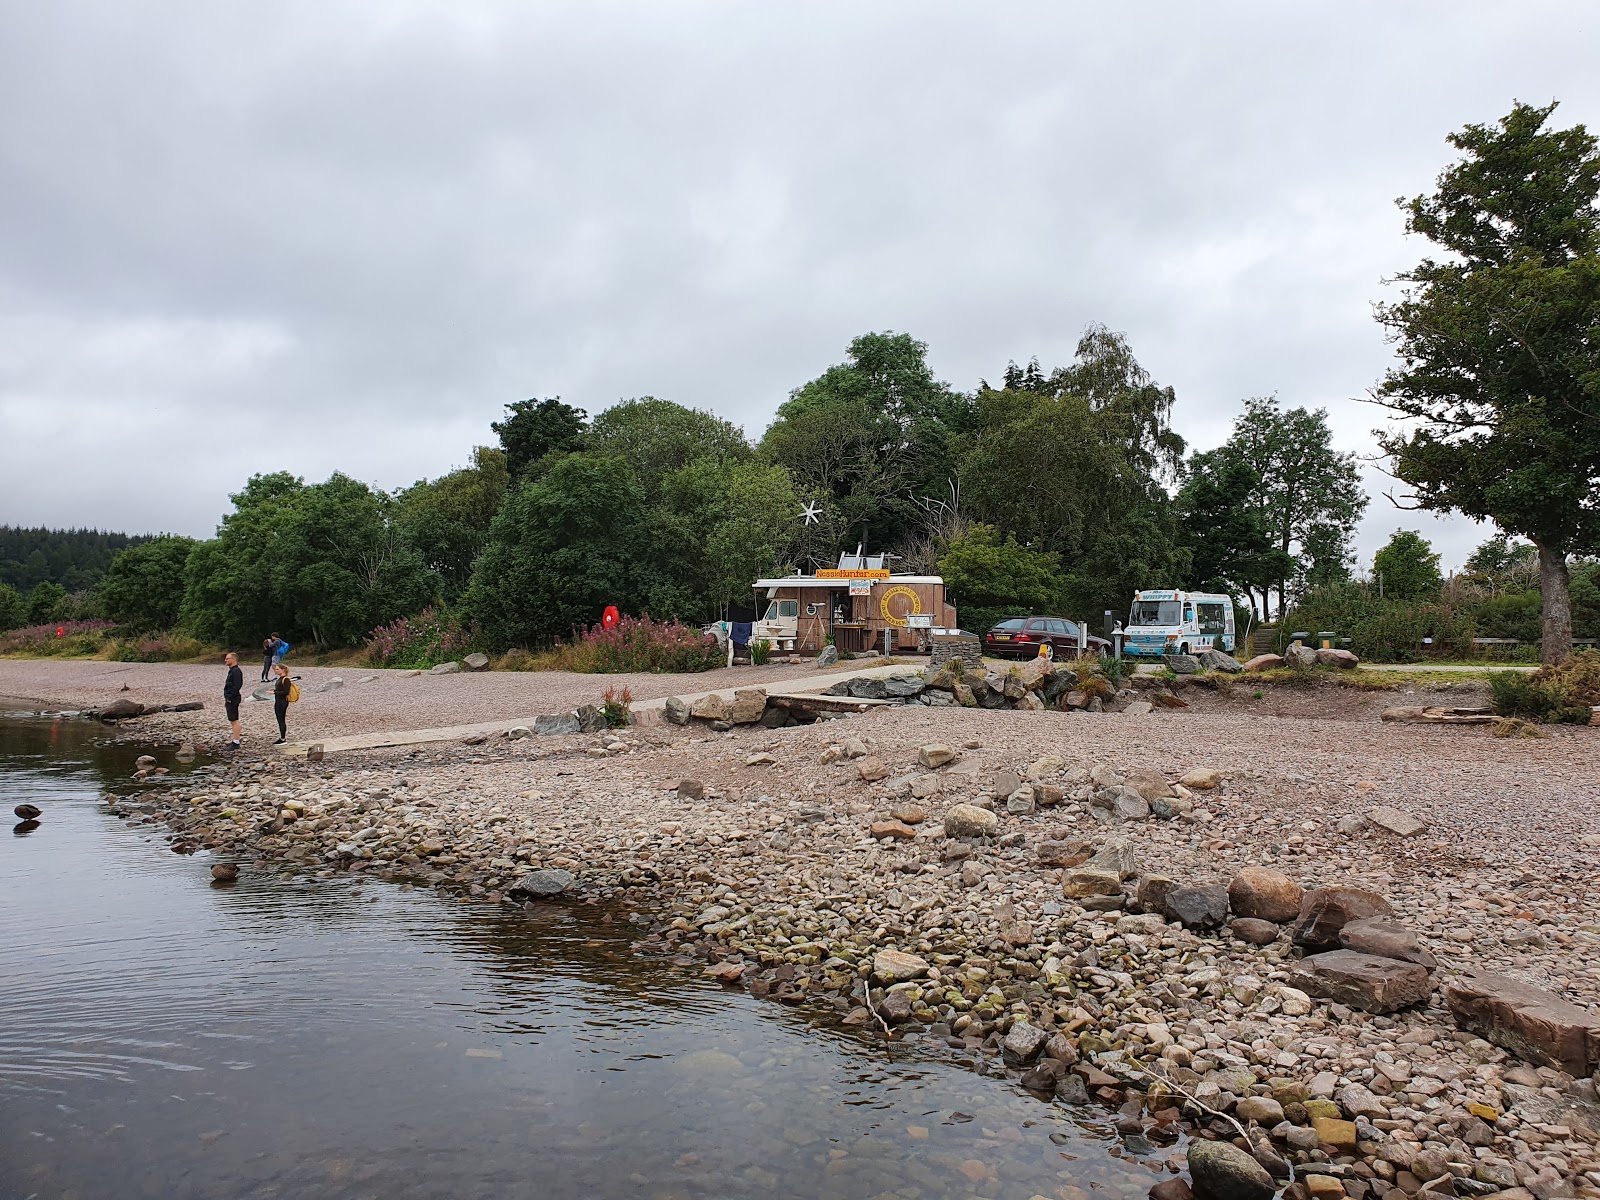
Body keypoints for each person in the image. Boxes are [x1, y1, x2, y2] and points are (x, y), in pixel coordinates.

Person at [222, 652, 244, 749]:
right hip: (230, 698)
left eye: (227, 659)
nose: (225, 660)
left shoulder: (236, 671)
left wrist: (230, 698)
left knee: (234, 720)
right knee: (232, 720)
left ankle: (236, 742)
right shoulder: (232, 670)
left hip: (233, 698)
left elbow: (237, 686)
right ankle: (235, 739)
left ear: (233, 659)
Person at [271, 662, 294, 745]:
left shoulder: (286, 679)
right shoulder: (280, 678)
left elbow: (286, 692)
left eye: (277, 669)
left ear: (283, 670)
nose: (275, 671)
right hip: (278, 701)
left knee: (281, 720)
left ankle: (283, 738)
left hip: (282, 701)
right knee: (279, 719)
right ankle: (281, 737)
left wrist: (274, 692)